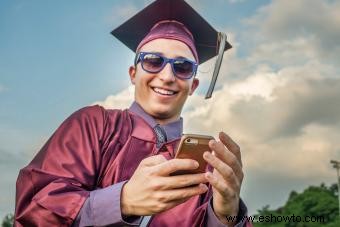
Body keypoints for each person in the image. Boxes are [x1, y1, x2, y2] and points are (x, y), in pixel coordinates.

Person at [15, 0, 251, 226]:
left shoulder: (205, 167)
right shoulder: (94, 125)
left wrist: (226, 216)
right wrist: (122, 200)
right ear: (132, 73)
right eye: (152, 61)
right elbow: (35, 211)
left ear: (194, 86)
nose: (167, 76)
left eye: (182, 67)